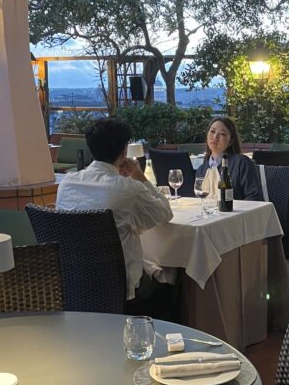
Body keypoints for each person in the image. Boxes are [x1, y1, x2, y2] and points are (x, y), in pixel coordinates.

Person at [56, 118, 173, 302]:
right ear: (124, 152)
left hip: (73, 285)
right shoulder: (129, 188)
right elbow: (165, 213)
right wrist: (140, 177)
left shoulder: (66, 184)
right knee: (171, 282)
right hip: (119, 288)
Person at [195, 116, 262, 202]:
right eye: (212, 131)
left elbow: (254, 198)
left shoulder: (242, 163)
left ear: (231, 141)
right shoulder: (201, 170)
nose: (215, 137)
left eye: (222, 134)